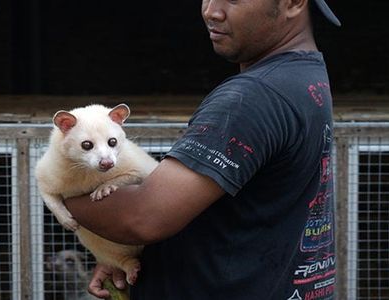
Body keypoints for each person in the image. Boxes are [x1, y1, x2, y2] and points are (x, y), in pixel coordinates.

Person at [65, 0, 340, 299]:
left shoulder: (251, 99)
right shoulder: (305, 76)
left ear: (293, 3)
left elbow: (142, 218)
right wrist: (121, 254)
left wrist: (57, 190)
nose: (211, 11)